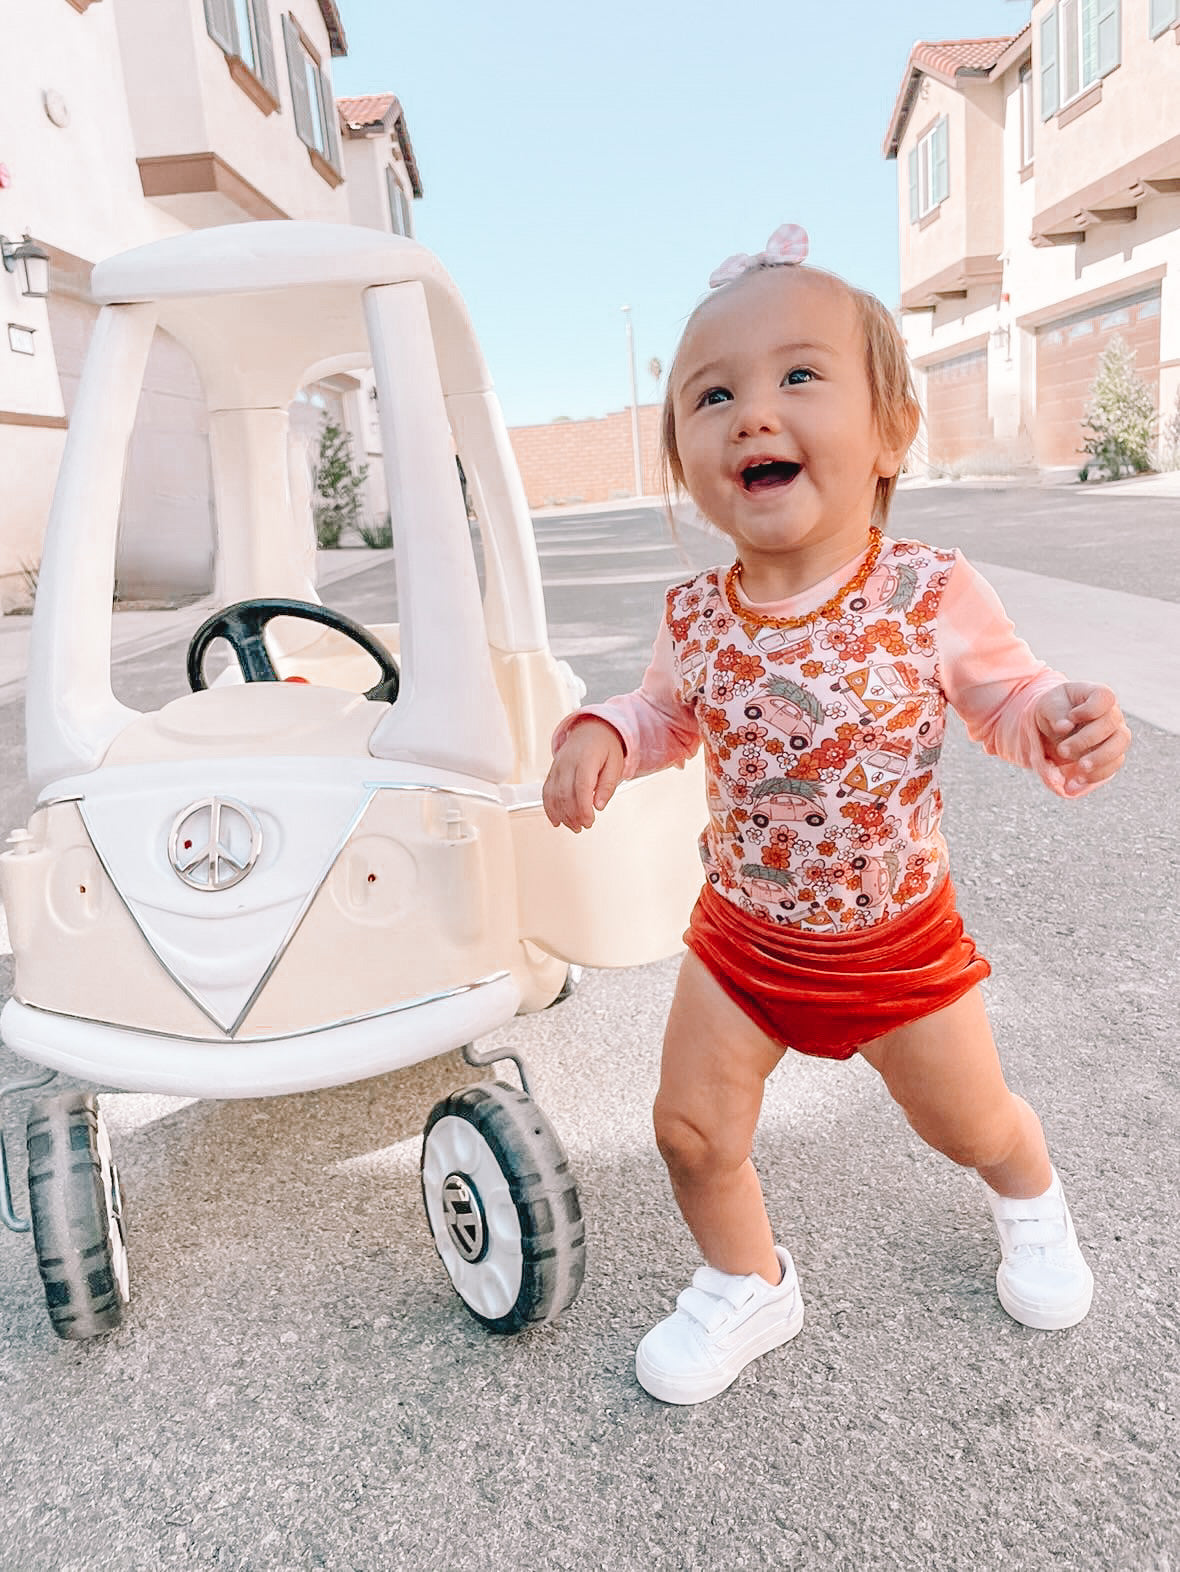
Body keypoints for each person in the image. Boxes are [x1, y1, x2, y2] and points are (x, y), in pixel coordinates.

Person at [542, 225, 1131, 1406]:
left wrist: (1059, 714)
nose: (753, 414)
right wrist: (607, 730)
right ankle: (747, 1282)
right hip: (741, 941)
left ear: (890, 433)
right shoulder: (696, 615)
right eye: (713, 396)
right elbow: (671, 715)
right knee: (691, 1134)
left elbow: (1006, 697)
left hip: (894, 944)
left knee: (968, 1125)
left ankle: (1029, 1196)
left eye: (799, 376)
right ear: (685, 455)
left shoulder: (927, 591)